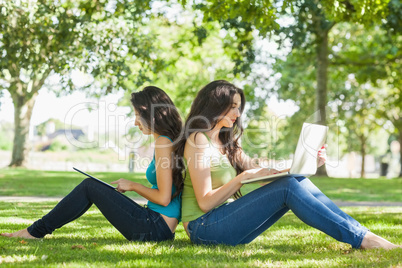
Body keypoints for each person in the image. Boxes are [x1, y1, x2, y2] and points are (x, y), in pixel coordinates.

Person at [174, 80, 400, 250]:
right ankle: (364, 240)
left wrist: (304, 162)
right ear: (216, 105)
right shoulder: (198, 141)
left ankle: (362, 236)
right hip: (203, 227)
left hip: (224, 222)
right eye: (233, 107)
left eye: (239, 107)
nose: (238, 113)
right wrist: (240, 178)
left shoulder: (227, 141)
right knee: (288, 187)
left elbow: (256, 167)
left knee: (294, 180)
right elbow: (204, 202)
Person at [1, 86, 182, 242]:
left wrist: (133, 185)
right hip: (156, 224)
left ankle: (34, 232)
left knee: (90, 186)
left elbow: (163, 198)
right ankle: (35, 231)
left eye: (137, 115)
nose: (135, 122)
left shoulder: (163, 143)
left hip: (155, 227)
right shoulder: (167, 141)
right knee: (91, 186)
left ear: (150, 114)